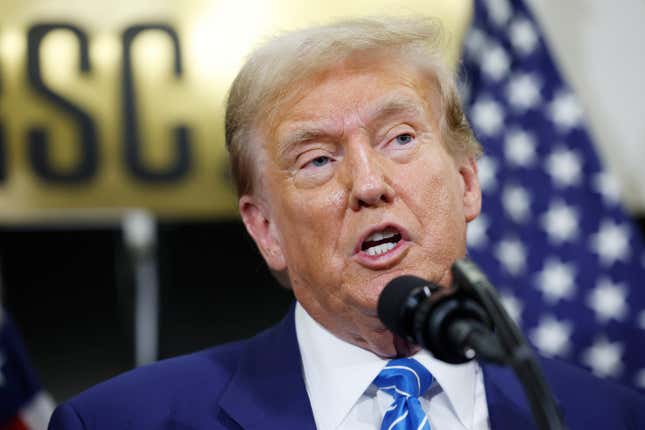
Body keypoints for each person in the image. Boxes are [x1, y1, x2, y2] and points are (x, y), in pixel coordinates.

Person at [48, 17, 645, 430]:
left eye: (401, 137)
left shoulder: (607, 416)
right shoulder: (125, 421)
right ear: (265, 231)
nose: (368, 184)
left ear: (467, 182)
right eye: (317, 159)